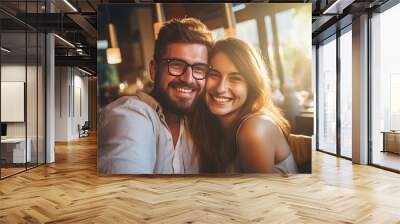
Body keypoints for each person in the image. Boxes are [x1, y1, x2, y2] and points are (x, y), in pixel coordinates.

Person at [98, 18, 213, 174]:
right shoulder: (131, 115)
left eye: (199, 69)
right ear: (153, 69)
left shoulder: (196, 124)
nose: (188, 79)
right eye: (176, 65)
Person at [190, 38, 298, 174]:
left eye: (235, 78)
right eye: (214, 74)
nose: (220, 88)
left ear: (251, 86)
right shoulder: (209, 128)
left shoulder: (254, 129)